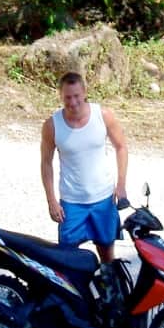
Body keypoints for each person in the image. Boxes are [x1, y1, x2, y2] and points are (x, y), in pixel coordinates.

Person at [40, 71, 128, 263]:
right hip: (71, 202)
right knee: (66, 258)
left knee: (106, 253)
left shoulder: (103, 116)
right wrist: (51, 200)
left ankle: (109, 289)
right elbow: (46, 162)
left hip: (103, 199)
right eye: (67, 97)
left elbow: (121, 147)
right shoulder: (52, 125)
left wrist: (121, 186)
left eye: (76, 96)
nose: (72, 102)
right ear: (60, 96)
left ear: (85, 92)